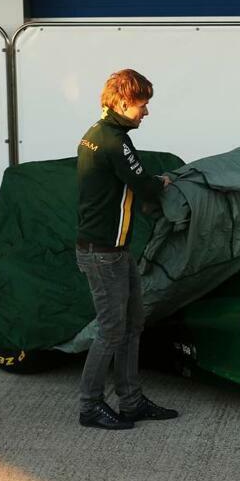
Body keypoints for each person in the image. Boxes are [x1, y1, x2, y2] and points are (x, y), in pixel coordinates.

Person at [75, 69, 178, 430]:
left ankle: (131, 401)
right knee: (111, 330)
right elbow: (144, 186)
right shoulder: (112, 142)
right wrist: (162, 182)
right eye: (142, 105)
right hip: (103, 253)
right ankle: (90, 406)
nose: (146, 112)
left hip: (115, 250)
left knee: (133, 324)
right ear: (121, 102)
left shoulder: (97, 134)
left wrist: (151, 181)